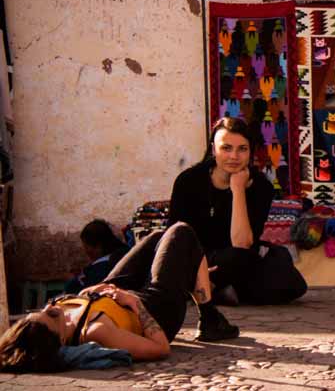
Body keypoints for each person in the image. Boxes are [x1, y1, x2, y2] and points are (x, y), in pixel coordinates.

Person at [0, 223, 239, 373]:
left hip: (113, 291)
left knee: (156, 236)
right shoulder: (95, 330)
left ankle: (193, 283)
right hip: (153, 307)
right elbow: (161, 348)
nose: (52, 308)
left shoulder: (45, 322)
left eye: (47, 309)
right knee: (180, 232)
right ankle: (209, 318)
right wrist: (134, 304)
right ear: (58, 339)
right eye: (52, 315)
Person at [168, 117, 306, 305]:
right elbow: (175, 236)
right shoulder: (189, 181)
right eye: (226, 148)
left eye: (242, 149)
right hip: (196, 260)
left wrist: (238, 189)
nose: (234, 156)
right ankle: (214, 289)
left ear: (250, 152)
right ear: (213, 149)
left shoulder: (261, 187)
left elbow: (242, 243)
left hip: (238, 260)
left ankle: (212, 291)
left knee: (291, 282)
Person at [64, 219, 130, 294]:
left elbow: (74, 290)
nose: (85, 251)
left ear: (98, 247)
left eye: (86, 247)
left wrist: (72, 279)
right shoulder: (123, 255)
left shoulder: (101, 269)